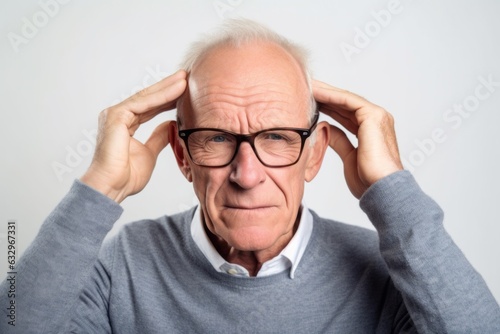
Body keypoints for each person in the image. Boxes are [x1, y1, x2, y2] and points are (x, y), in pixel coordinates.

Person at [2, 19, 499, 333]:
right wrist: (98, 189)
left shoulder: (388, 271)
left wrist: (393, 193)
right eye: (217, 138)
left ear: (314, 155)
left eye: (278, 137)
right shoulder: (122, 265)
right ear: (182, 154)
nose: (247, 173)